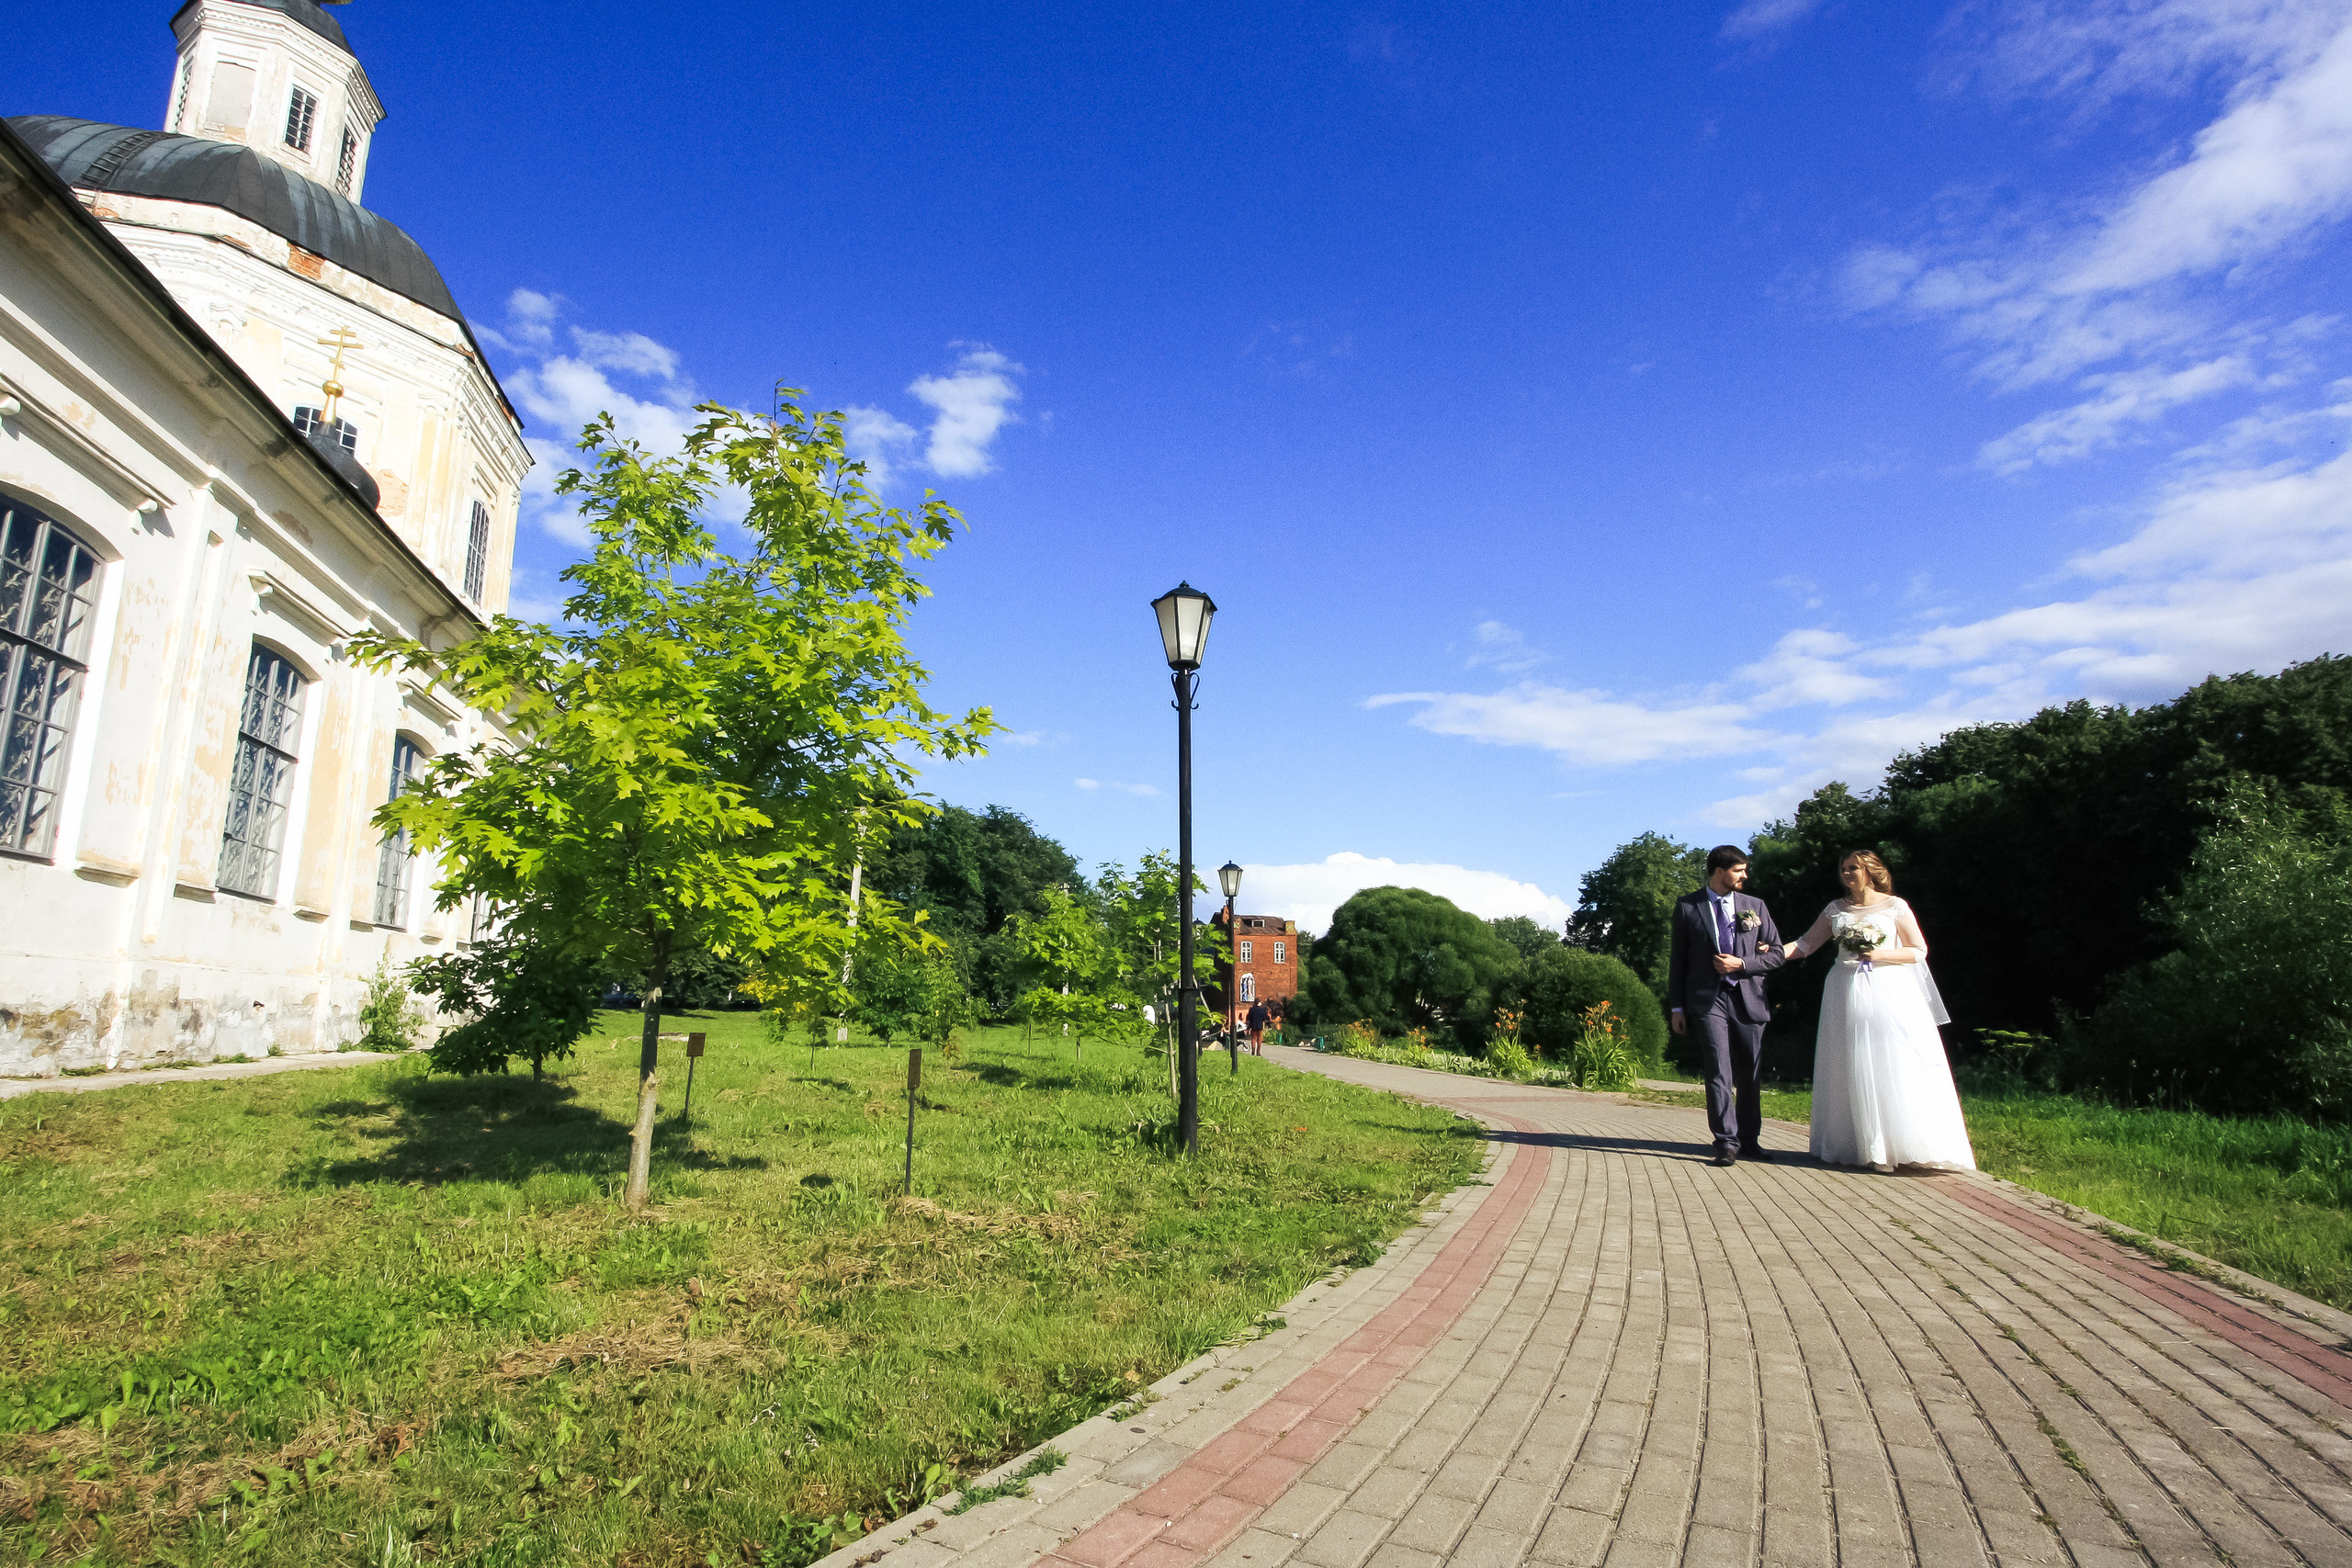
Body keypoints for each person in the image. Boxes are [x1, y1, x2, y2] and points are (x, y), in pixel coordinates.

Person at [1779, 850, 1975, 1172]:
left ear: (1870, 871)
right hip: (1843, 988)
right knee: (1849, 1059)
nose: (1847, 874)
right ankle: (1863, 1146)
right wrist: (1768, 954)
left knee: (1891, 1059)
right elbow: (1804, 945)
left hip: (1889, 988)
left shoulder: (1895, 906)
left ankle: (1901, 1145)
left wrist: (1879, 954)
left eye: (1853, 868)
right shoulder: (1835, 909)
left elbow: (1918, 950)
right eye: (1844, 868)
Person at [1668, 845, 1786, 1167]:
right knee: (1719, 1069)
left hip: (1749, 998)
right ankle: (1726, 1142)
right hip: (1708, 1000)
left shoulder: (1754, 906)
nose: (1745, 875)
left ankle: (1749, 1140)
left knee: (1750, 1072)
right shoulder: (1688, 906)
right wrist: (1677, 1008)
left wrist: (1742, 964)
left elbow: (1777, 953)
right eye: (1738, 870)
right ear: (1719, 871)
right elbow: (1678, 960)